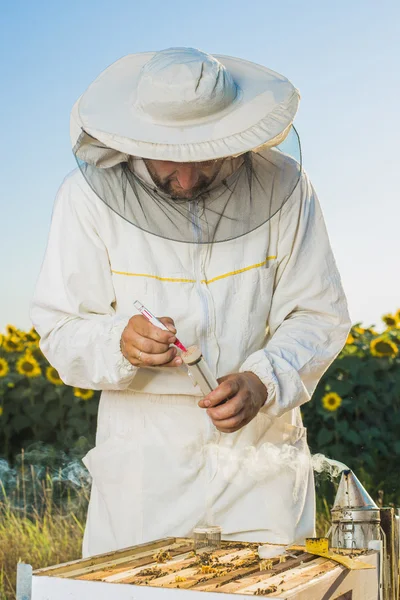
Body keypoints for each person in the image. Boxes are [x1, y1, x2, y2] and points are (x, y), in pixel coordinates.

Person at [30, 47, 351, 558]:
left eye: (206, 159)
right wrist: (119, 341)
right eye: (169, 161)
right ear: (135, 139)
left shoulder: (288, 187)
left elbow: (319, 314)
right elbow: (60, 328)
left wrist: (264, 379)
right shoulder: (84, 198)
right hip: (144, 477)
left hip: (260, 470)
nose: (186, 180)